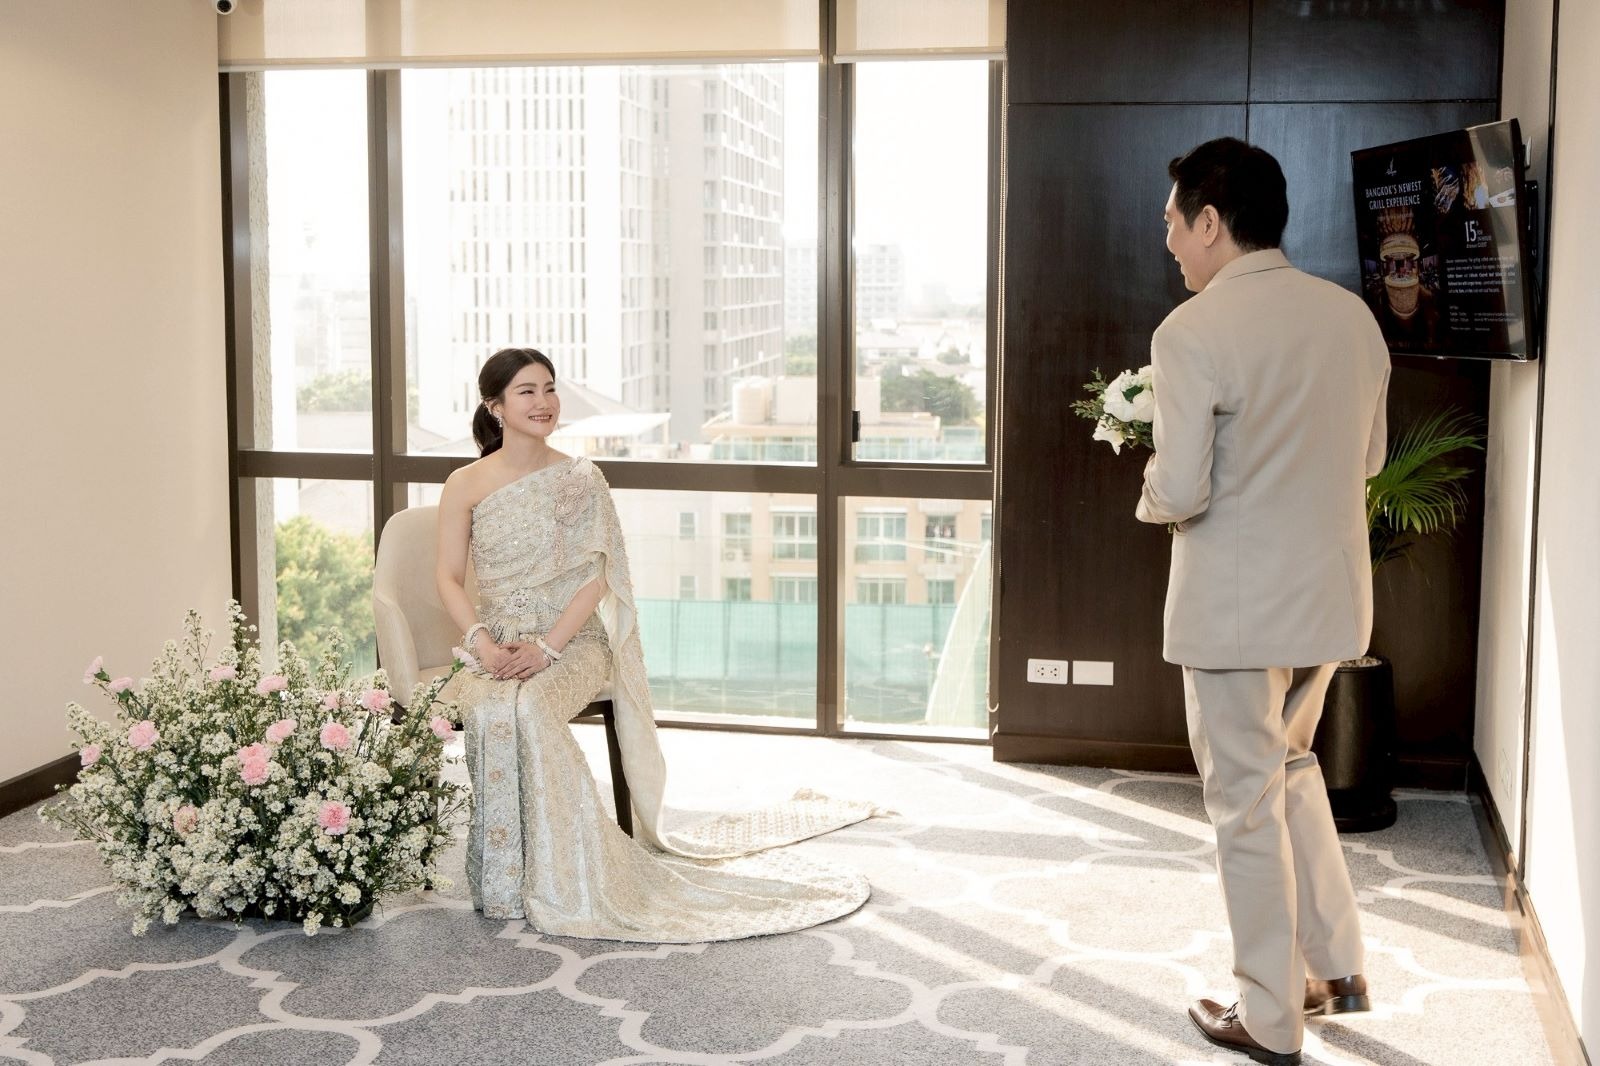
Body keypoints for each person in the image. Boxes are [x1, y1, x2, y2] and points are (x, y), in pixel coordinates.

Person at [435, 347, 875, 942]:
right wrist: (486, 647)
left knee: (532, 707)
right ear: (495, 406)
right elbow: (447, 577)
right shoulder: (464, 484)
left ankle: (574, 872)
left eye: (549, 388)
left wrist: (548, 648)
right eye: (527, 392)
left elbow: (600, 576)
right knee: (492, 707)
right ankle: (503, 879)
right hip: (494, 643)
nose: (544, 403)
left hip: (573, 642)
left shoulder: (580, 477)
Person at [1137, 139, 1390, 1066]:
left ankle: (1271, 1018)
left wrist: (1148, 492)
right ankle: (1336, 968)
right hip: (1330, 604)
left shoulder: (1190, 332)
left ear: (1211, 221)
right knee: (1290, 770)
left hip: (1236, 617)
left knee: (1245, 807)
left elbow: (1183, 487)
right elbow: (1369, 458)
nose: (1169, 240)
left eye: (1173, 221)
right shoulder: (1352, 316)